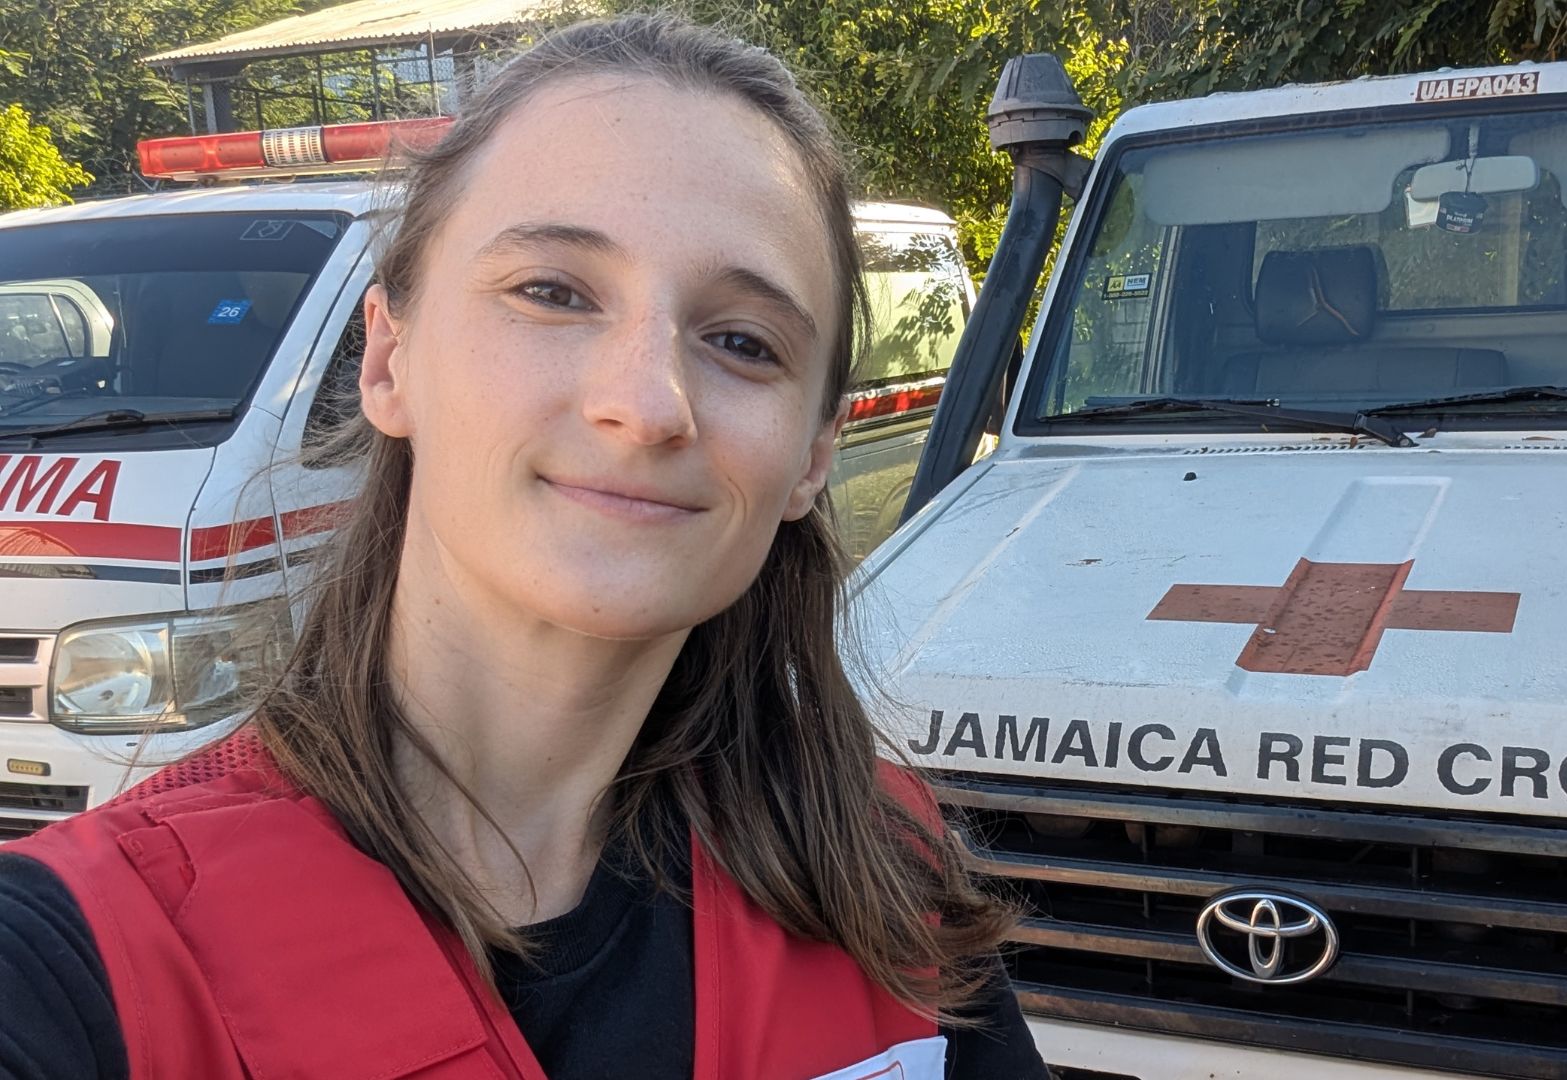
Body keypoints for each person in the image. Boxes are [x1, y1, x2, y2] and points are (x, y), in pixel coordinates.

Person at [0, 14, 1046, 1079]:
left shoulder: (887, 889)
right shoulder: (76, 967)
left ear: (815, 454)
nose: (645, 405)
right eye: (552, 292)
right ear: (389, 361)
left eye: (742, 342)